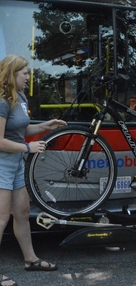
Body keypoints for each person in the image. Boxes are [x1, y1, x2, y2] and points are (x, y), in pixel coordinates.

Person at [0, 55, 67, 286]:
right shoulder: (1, 101)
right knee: (0, 218)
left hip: (16, 161)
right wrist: (28, 147)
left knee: (22, 211)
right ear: (11, 74)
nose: (29, 77)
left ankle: (30, 260)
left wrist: (45, 126)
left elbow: (22, 129)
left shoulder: (18, 97)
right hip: (1, 163)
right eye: (25, 73)